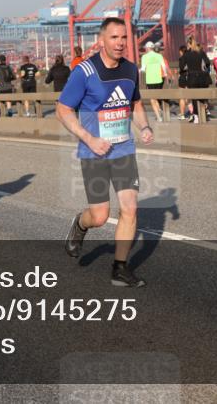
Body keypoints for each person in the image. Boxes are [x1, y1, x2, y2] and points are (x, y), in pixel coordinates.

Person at [58, 17, 153, 287]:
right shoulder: (84, 72)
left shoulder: (131, 70)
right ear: (101, 41)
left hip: (123, 149)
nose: (121, 43)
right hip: (94, 152)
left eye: (124, 38)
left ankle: (119, 268)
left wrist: (144, 126)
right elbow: (63, 111)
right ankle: (80, 224)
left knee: (130, 209)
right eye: (114, 37)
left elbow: (135, 103)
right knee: (99, 216)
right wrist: (89, 138)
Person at [179, 37, 212, 123]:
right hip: (201, 76)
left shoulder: (186, 54)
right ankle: (203, 114)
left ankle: (196, 116)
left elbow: (182, 67)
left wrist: (187, 68)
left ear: (189, 44)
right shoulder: (200, 52)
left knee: (194, 98)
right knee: (201, 97)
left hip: (192, 77)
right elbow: (208, 62)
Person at [139, 41, 169, 122]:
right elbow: (163, 66)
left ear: (147, 48)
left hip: (150, 80)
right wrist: (165, 74)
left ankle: (158, 116)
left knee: (152, 98)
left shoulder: (144, 57)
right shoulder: (159, 55)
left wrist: (138, 71)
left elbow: (143, 69)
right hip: (158, 79)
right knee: (156, 96)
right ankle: (159, 109)